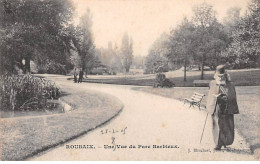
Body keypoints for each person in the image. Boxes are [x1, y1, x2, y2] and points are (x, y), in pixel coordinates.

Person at [206, 65, 239, 150]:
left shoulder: (230, 84)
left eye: (222, 76)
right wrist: (213, 99)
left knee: (226, 125)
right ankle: (218, 144)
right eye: (218, 76)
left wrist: (225, 98)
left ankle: (225, 142)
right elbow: (210, 94)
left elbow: (232, 97)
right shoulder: (212, 83)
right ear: (215, 75)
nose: (220, 78)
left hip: (227, 108)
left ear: (226, 75)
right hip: (216, 107)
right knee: (217, 125)